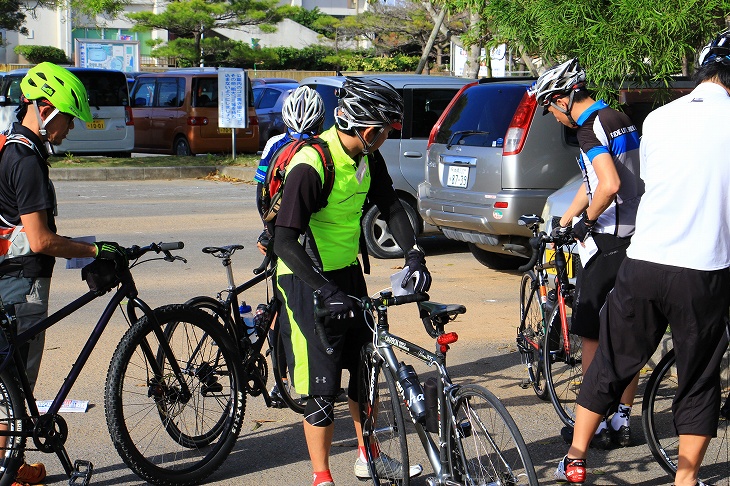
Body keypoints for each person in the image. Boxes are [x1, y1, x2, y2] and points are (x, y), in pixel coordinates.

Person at [554, 30, 730, 485]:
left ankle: (575, 457)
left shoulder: (659, 117)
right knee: (698, 375)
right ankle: (685, 479)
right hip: (702, 268)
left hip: (644, 258)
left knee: (612, 359)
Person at [272, 77, 431, 486]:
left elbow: (391, 204)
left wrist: (414, 253)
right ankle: (322, 477)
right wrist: (325, 290)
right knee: (322, 391)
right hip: (306, 280)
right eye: (383, 129)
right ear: (365, 127)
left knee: (366, 372)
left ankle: (369, 458)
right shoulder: (311, 165)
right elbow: (283, 241)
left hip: (347, 276)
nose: (386, 136)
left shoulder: (367, 156)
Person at [0, 62, 129, 486]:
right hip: (22, 284)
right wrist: (95, 249)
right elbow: (40, 240)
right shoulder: (27, 161)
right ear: (44, 108)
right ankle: (9, 473)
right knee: (16, 387)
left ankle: (8, 465)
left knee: (7, 382)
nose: (70, 128)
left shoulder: (8, 144)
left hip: (6, 275)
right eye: (68, 117)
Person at [530, 58, 643, 450]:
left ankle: (590, 424)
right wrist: (566, 217)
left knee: (591, 335)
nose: (552, 116)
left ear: (564, 98)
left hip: (608, 240)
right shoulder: (615, 116)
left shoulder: (587, 129)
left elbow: (607, 185)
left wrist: (584, 224)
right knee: (627, 334)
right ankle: (621, 419)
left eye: (549, 107)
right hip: (635, 235)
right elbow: (593, 180)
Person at [254, 85, 326, 407]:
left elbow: (260, 194)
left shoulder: (275, 144)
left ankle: (279, 383)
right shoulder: (320, 147)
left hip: (278, 234)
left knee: (281, 307)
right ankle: (306, 377)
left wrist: (269, 234)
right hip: (307, 238)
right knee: (303, 306)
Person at [254, 85, 325, 254]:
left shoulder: (274, 144)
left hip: (280, 224)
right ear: (321, 119)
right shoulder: (326, 145)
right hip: (319, 227)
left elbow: (262, 194)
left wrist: (268, 230)